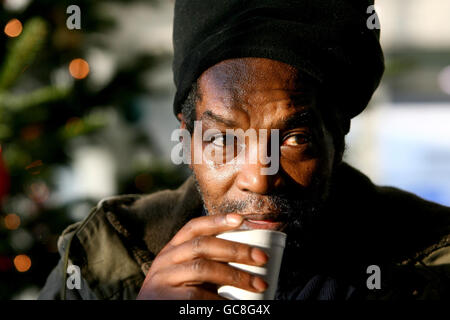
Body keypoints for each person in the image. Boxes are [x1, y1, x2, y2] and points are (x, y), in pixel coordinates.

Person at [38, 0, 450, 300]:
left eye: (294, 138)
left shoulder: (434, 259)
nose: (258, 176)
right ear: (187, 137)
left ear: (336, 135)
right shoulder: (106, 258)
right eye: (222, 140)